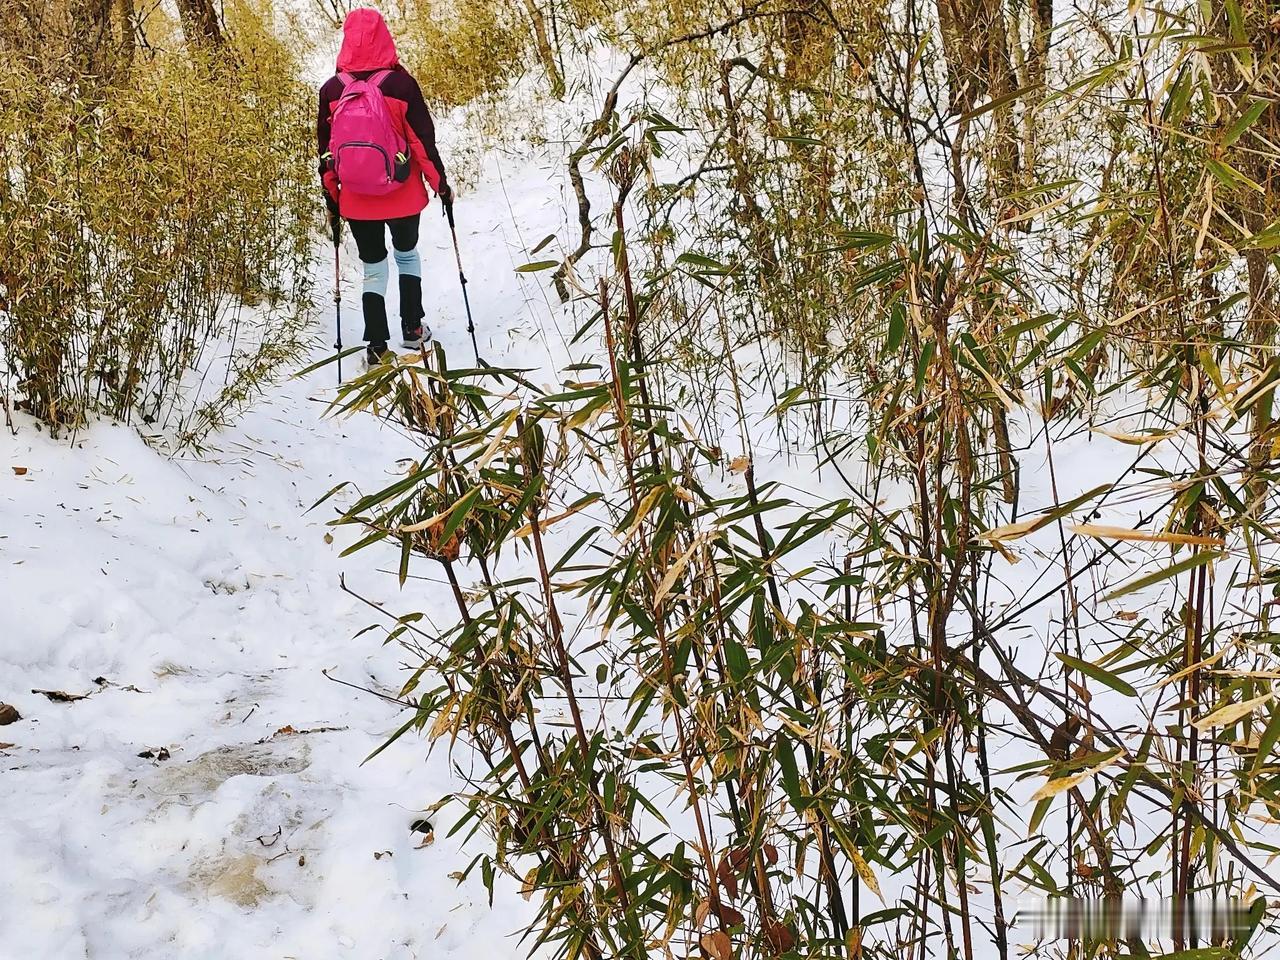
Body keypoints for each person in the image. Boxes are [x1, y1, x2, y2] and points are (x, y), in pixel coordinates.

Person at [317, 8, 452, 366]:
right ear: (385, 36)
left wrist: (333, 197)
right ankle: (412, 329)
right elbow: (422, 143)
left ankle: (376, 346)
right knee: (406, 254)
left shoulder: (332, 90)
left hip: (357, 199)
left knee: (373, 267)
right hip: (403, 194)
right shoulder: (401, 85)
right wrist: (441, 186)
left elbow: (328, 154)